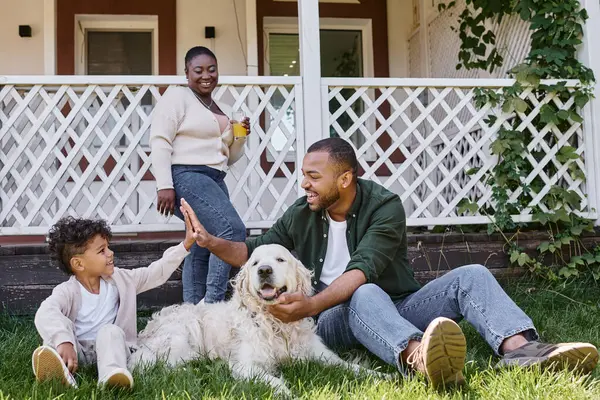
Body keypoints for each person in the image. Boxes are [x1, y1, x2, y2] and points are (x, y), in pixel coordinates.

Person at [179, 137, 599, 387]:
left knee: (471, 274)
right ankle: (421, 359)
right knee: (360, 293)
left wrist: (306, 305)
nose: (303, 183)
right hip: (333, 317)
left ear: (344, 179)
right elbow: (256, 252)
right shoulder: (302, 212)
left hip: (391, 303)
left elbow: (363, 269)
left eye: (312, 175)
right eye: (302, 174)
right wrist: (211, 241)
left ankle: (521, 348)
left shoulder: (385, 206)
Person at [32, 200, 197, 389]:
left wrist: (185, 245)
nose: (110, 253)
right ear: (79, 264)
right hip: (79, 352)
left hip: (112, 349)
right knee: (54, 337)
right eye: (102, 250)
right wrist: (64, 340)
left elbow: (155, 272)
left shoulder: (122, 280)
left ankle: (112, 374)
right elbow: (46, 312)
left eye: (108, 247)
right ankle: (61, 372)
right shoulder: (67, 291)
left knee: (109, 331)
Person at [150, 46, 249, 304]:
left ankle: (191, 311)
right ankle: (213, 304)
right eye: (199, 70)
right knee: (230, 229)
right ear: (187, 73)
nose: (206, 75)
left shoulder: (223, 107)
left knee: (200, 244)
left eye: (212, 69)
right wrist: (165, 185)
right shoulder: (177, 97)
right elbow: (160, 141)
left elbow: (230, 156)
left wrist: (241, 137)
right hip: (187, 174)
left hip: (215, 179)